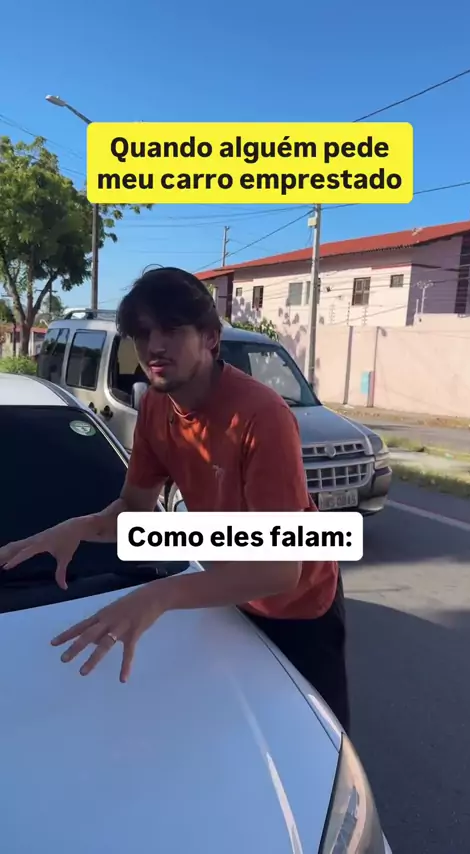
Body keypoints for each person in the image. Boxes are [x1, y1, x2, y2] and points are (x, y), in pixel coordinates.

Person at [0, 267, 350, 733]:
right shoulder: (155, 406)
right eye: (142, 334)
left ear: (210, 338)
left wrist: (158, 595)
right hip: (227, 593)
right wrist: (79, 528)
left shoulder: (261, 416)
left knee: (317, 741)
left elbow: (279, 570)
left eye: (171, 330)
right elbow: (134, 509)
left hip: (301, 607)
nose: (154, 347)